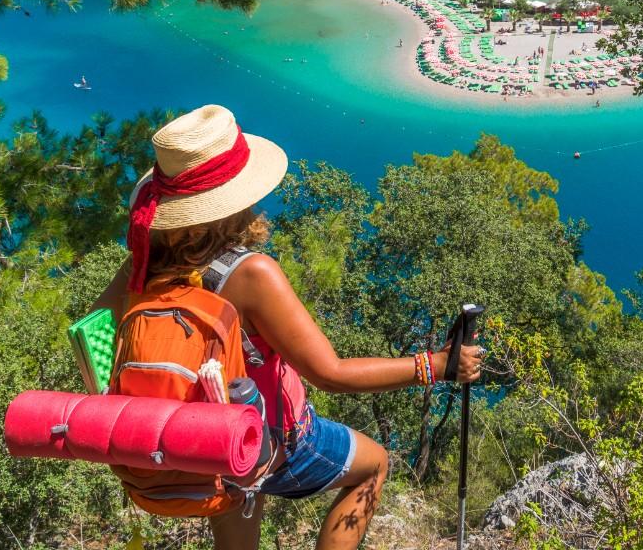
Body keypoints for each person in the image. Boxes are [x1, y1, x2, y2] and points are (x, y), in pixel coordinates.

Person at [92, 106, 483, 550]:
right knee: (373, 465)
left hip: (200, 445)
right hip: (275, 442)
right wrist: (435, 365)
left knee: (238, 502)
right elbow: (329, 374)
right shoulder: (252, 274)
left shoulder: (140, 267)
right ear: (233, 201)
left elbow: (94, 344)